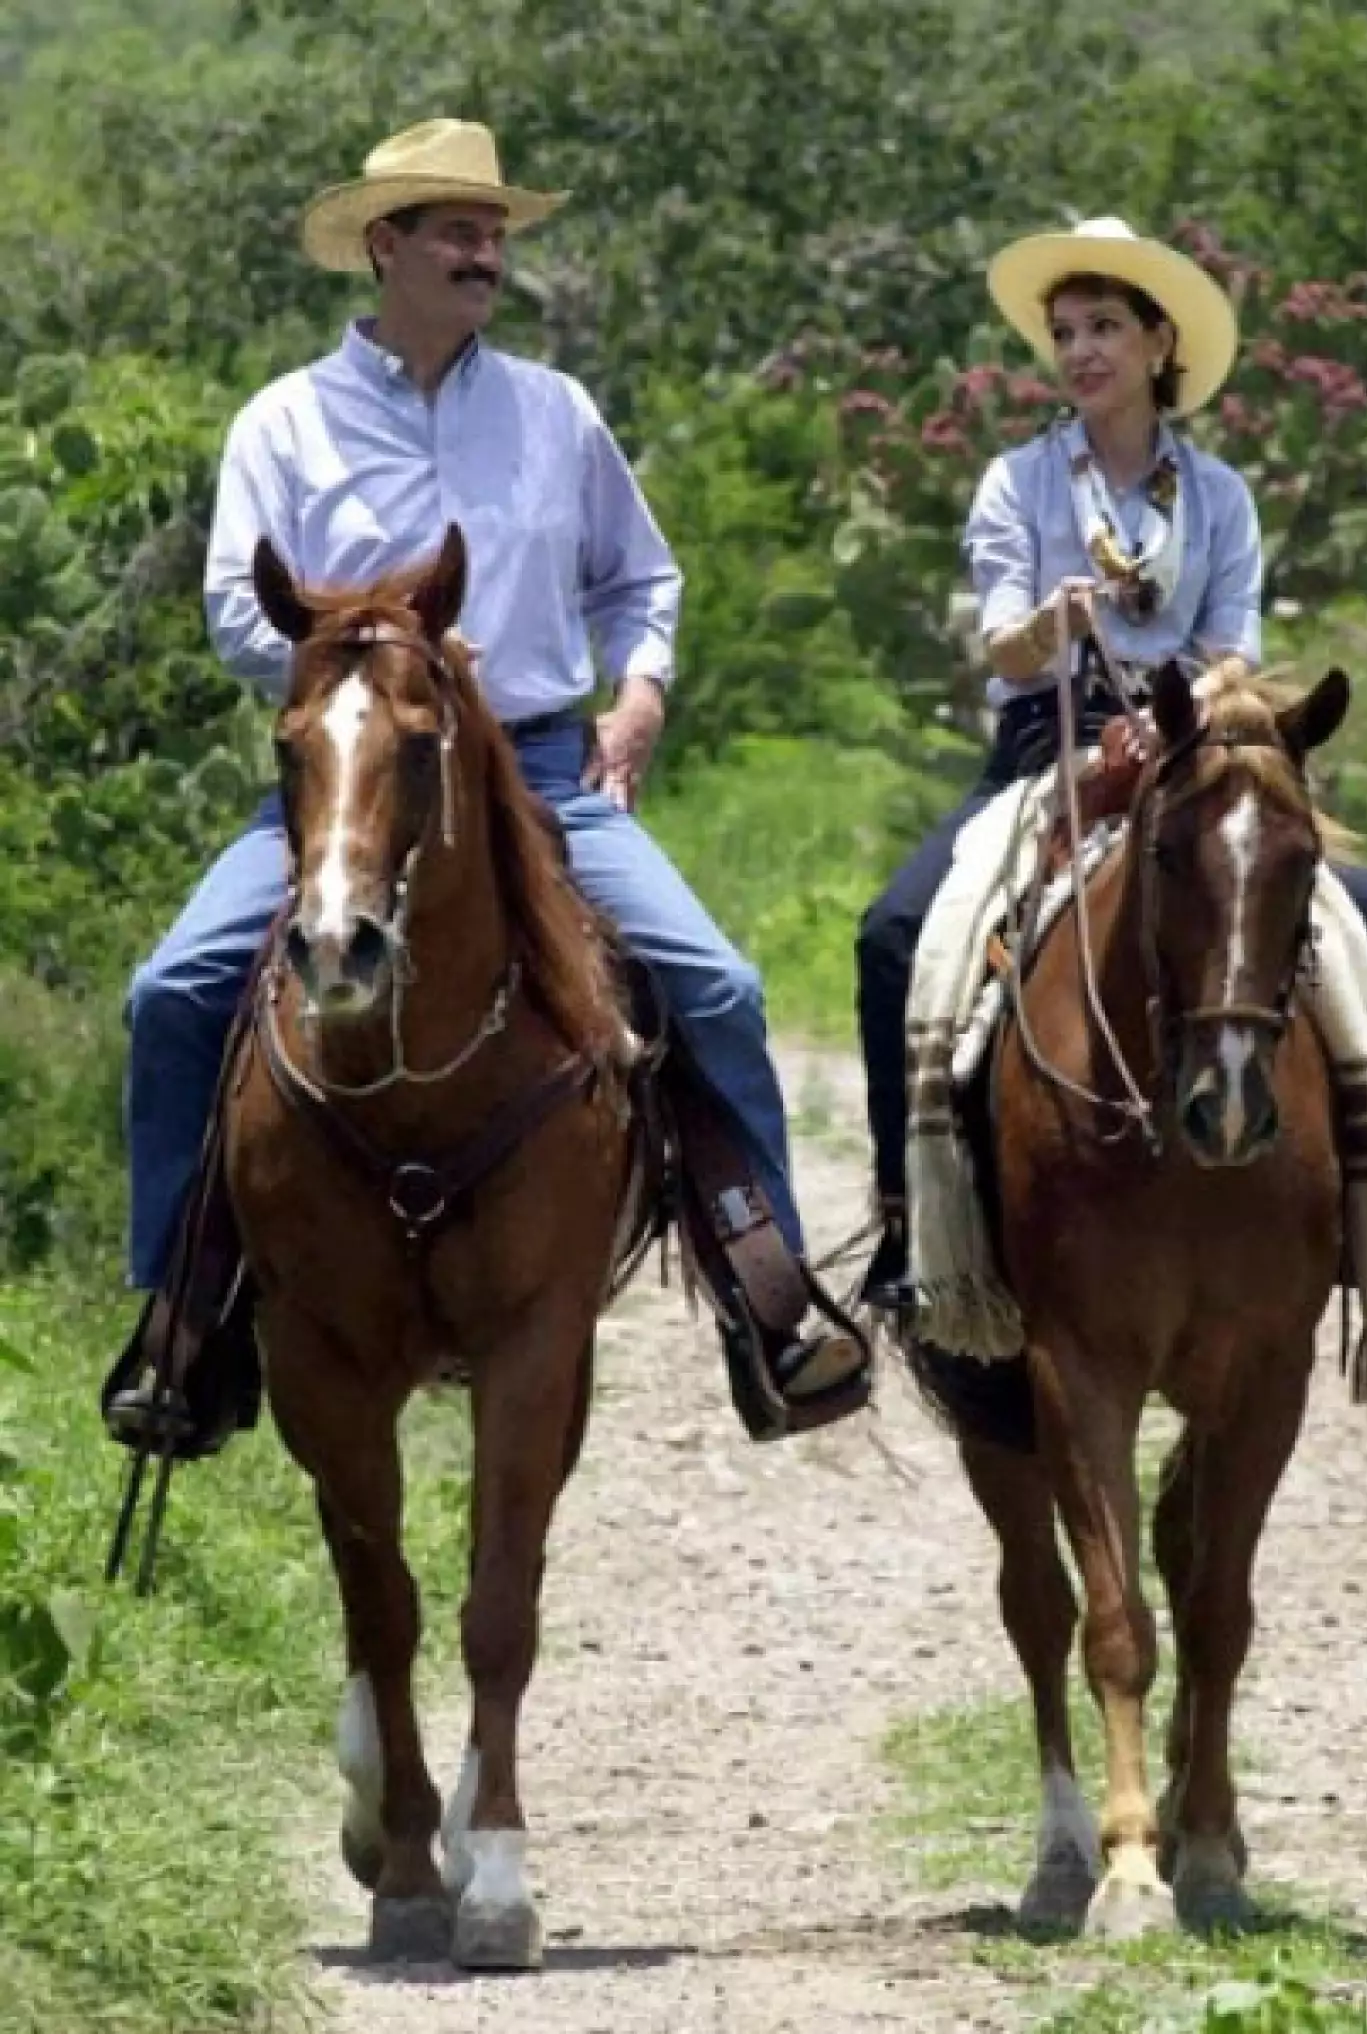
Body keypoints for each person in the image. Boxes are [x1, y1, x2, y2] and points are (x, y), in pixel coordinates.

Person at [121, 118, 867, 1432]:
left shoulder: (555, 413)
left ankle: (764, 1284)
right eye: (456, 229)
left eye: (493, 231)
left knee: (719, 984)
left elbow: (642, 577)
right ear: (384, 245)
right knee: (176, 990)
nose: (484, 252)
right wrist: (390, 657)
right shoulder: (283, 424)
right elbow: (245, 616)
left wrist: (640, 690)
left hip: (536, 775)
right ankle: (185, 1312)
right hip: (352, 781)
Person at [855, 216, 1367, 1310]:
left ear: (1158, 344)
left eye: (1104, 326)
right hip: (1048, 738)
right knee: (898, 929)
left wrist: (1186, 708)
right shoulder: (1018, 481)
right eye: (1064, 331)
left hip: (1197, 738)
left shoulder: (1220, 495)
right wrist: (1049, 630)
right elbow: (998, 640)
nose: (1081, 350)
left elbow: (1236, 640)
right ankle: (913, 1222)